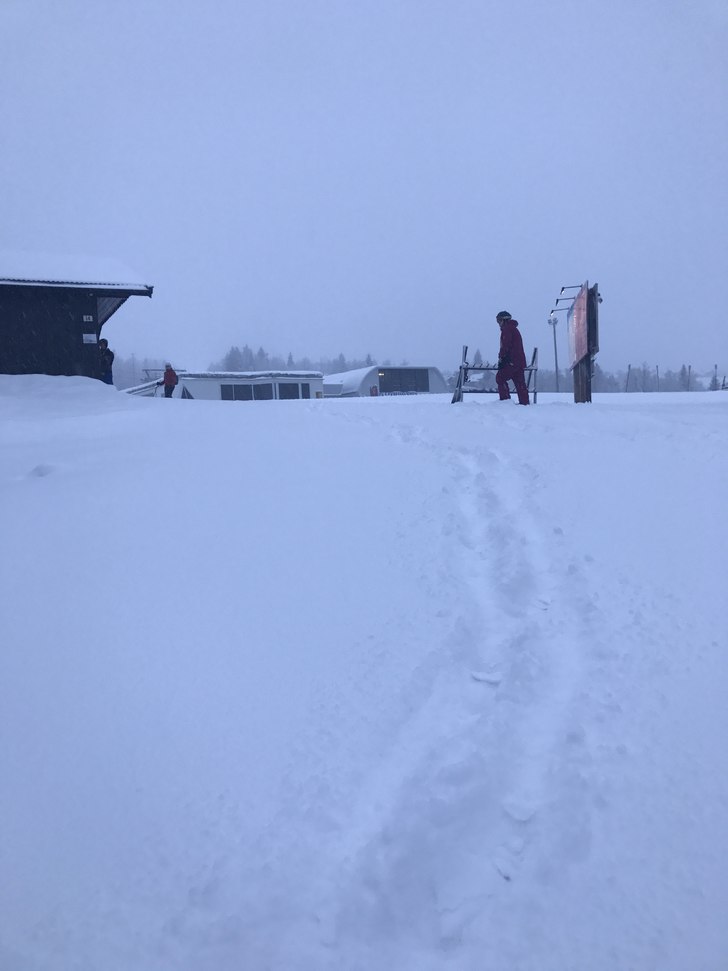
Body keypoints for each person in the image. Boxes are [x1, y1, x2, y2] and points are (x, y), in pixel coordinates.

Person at [495, 310, 529, 405]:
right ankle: (524, 403)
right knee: (519, 382)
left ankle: (505, 401)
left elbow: (505, 345)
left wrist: (502, 357)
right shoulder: (513, 329)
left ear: (504, 320)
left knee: (500, 378)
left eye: (499, 321)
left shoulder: (507, 329)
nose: (498, 324)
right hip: (519, 361)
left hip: (511, 361)